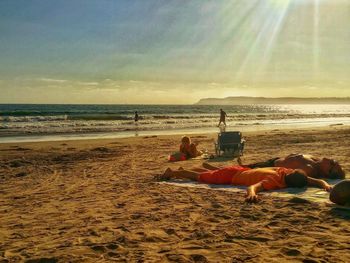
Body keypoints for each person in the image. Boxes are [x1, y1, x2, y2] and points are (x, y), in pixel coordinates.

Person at [158, 165, 331, 203]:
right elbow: (253, 187)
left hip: (239, 169)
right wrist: (252, 194)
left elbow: (312, 180)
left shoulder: (283, 171)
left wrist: (325, 185)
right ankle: (173, 172)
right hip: (231, 176)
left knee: (207, 173)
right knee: (199, 178)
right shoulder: (276, 180)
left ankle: (195, 168)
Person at [234, 154, 345, 179]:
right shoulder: (316, 160)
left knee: (239, 170)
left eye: (332, 164)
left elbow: (289, 174)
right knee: (242, 167)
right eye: (335, 161)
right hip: (275, 159)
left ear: (327, 172)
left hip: (271, 166)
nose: (332, 160)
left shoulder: (309, 169)